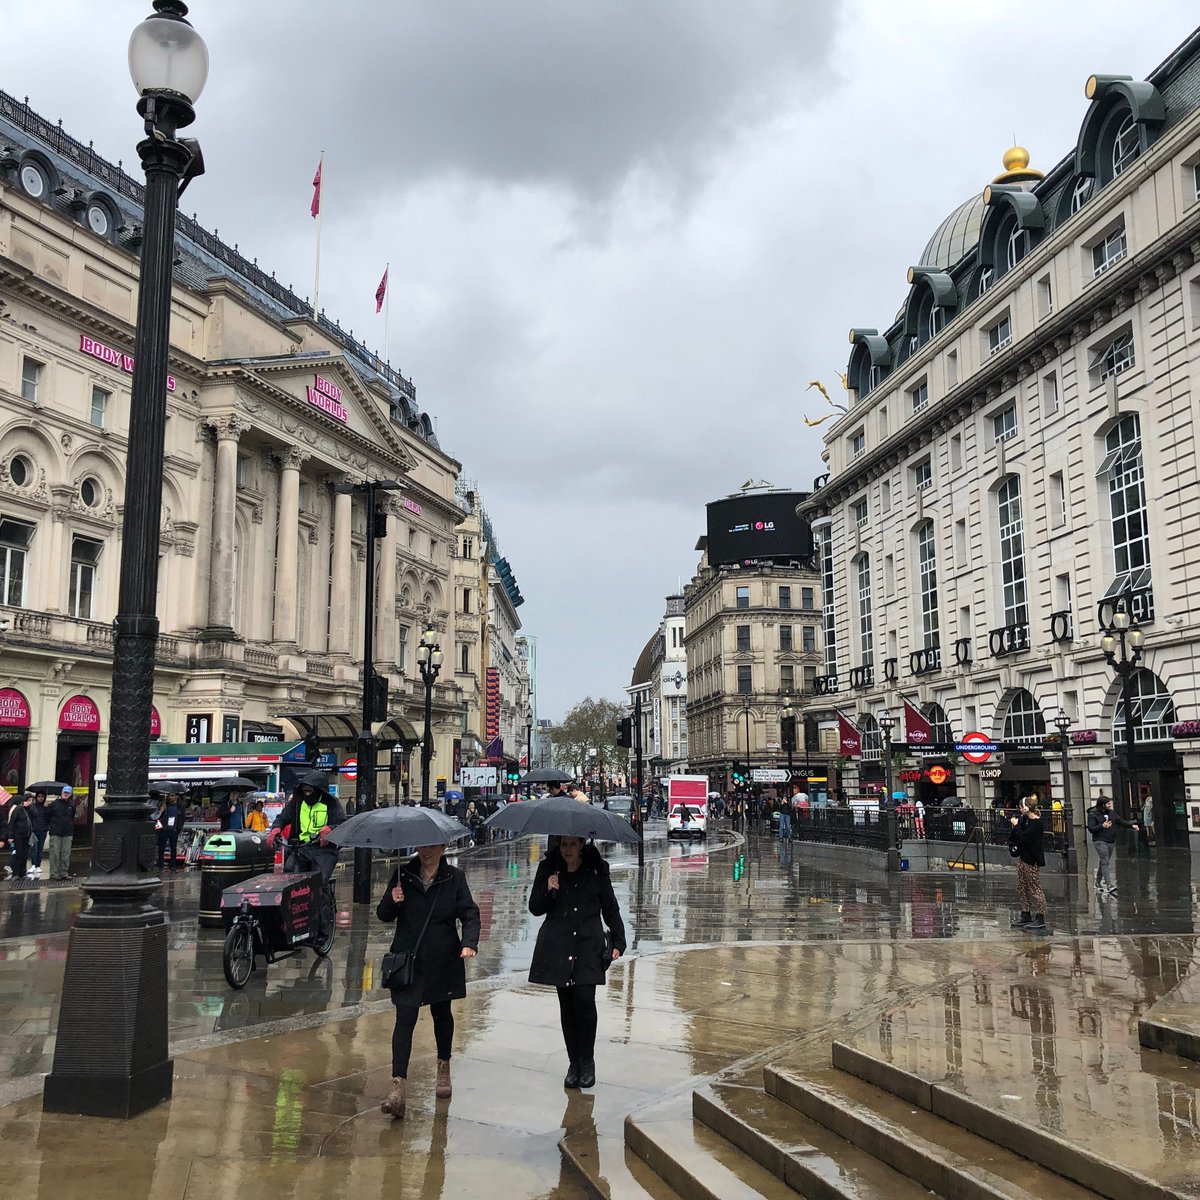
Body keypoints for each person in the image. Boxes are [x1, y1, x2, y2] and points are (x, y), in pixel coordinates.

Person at [376, 842, 480, 1119]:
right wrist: (391, 900)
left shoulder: (454, 879)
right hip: (408, 961)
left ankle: (443, 1066)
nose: (427, 851)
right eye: (423, 846)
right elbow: (383, 915)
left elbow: (470, 913)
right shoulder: (402, 875)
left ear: (443, 847)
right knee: (405, 1019)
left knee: (442, 1014)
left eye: (433, 846)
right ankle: (397, 1087)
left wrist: (469, 942)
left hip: (442, 958)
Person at [528, 836, 626, 1090]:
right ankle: (573, 1063)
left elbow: (610, 907)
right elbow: (535, 907)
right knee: (567, 1004)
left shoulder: (595, 868)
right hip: (559, 942)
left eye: (572, 844)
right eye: (563, 845)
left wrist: (618, 940)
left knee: (584, 1000)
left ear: (582, 844)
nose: (568, 850)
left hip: (587, 942)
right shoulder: (549, 868)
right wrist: (549, 890)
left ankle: (588, 1061)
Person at [266, 772, 346, 882]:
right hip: (301, 848)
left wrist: (330, 829)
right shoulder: (297, 801)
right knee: (290, 879)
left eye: (310, 791)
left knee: (319, 883)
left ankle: (323, 895)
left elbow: (342, 823)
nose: (307, 794)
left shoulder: (330, 802)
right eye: (305, 791)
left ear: (318, 791)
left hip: (323, 850)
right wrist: (276, 828)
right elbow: (282, 817)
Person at [1087, 795, 1138, 894]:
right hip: (1099, 840)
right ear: (1102, 805)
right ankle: (1109, 884)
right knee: (1105, 861)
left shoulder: (1112, 813)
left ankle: (1097, 883)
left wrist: (1132, 825)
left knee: (1103, 862)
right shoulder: (1093, 815)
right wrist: (1102, 826)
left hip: (1110, 840)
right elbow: (1091, 828)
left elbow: (1120, 821)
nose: (1110, 805)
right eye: (1108, 803)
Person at [1010, 797, 1047, 930]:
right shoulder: (1026, 821)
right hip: (1023, 858)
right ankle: (1026, 913)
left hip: (1032, 860)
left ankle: (1040, 916)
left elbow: (1025, 838)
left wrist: (1016, 826)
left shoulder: (1036, 823)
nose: (1020, 810)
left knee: (1035, 888)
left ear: (1026, 807)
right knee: (1022, 887)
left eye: (1021, 807)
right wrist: (1016, 826)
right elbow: (1016, 837)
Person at [47, 787, 76, 880]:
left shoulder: (72, 804)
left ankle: (64, 872)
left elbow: (72, 816)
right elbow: (48, 816)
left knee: (65, 853)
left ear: (71, 794)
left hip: (67, 832)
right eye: (65, 792)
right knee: (54, 853)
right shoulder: (54, 804)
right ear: (61, 793)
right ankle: (54, 873)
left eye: (68, 793)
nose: (66, 794)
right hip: (56, 831)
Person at [8, 793, 33, 881]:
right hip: (18, 835)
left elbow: (35, 816)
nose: (31, 802)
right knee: (19, 854)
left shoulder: (29, 809)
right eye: (29, 800)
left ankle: (23, 873)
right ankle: (15, 873)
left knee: (25, 854)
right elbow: (12, 823)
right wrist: (10, 836)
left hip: (26, 835)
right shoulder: (18, 809)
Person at [155, 790, 182, 871]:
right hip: (164, 829)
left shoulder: (179, 806)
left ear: (176, 796)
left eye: (173, 795)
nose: (171, 797)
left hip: (173, 829)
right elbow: (158, 817)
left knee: (173, 848)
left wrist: (178, 828)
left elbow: (181, 818)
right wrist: (162, 809)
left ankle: (172, 865)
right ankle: (160, 865)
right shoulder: (164, 805)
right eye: (170, 795)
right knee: (161, 848)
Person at [26, 792, 49, 879]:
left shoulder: (46, 808)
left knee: (40, 848)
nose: (40, 798)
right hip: (34, 830)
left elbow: (48, 817)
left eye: (42, 796)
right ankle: (34, 864)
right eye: (39, 796)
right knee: (33, 848)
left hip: (43, 830)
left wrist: (47, 808)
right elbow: (30, 818)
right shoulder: (32, 807)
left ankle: (38, 865)